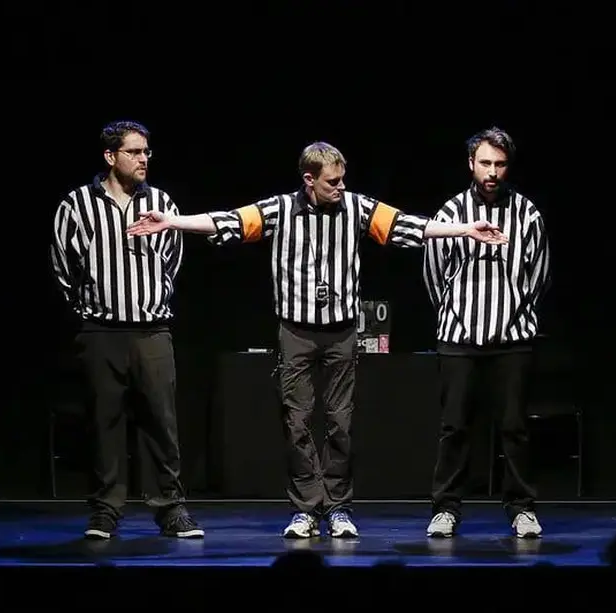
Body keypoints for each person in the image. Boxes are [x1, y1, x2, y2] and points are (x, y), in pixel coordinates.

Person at [126, 141, 507, 539]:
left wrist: (465, 229)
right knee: (297, 423)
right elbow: (229, 222)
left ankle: (339, 508)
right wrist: (172, 222)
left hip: (342, 333)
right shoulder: (280, 210)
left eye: (342, 180)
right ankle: (306, 509)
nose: (340, 187)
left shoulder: (356, 207)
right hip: (296, 333)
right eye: (332, 182)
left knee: (341, 424)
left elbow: (406, 226)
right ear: (309, 180)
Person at [50, 120, 203, 540]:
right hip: (100, 332)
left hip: (152, 331)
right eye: (134, 152)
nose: (143, 159)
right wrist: (88, 310)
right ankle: (105, 510)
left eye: (146, 152)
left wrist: (149, 300)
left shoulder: (161, 202)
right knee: (105, 423)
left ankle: (170, 509)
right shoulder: (77, 205)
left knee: (161, 423)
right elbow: (63, 266)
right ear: (110, 156)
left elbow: (172, 261)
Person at [422, 127, 551, 539]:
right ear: (471, 164)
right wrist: (457, 314)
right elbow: (434, 276)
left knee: (514, 427)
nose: (492, 172)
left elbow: (538, 275)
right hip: (459, 337)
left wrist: (514, 312)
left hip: (514, 339)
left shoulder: (527, 214)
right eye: (485, 163)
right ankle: (446, 508)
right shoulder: (450, 213)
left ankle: (521, 508)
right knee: (454, 427)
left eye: (500, 164)